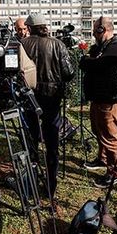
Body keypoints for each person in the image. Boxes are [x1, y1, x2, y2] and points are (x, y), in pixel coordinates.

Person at [21, 13, 74, 205]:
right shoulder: (57, 44)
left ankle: (31, 182)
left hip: (29, 96)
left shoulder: (23, 44)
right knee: (52, 144)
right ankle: (50, 187)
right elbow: (69, 73)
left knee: (32, 140)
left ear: (30, 27)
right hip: (52, 97)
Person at [80, 16, 117, 189]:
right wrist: (90, 61)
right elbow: (91, 61)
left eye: (95, 31)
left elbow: (102, 64)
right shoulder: (101, 47)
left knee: (110, 136)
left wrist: (89, 62)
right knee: (98, 130)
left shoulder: (116, 46)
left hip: (111, 99)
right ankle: (102, 159)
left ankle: (114, 172)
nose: (93, 34)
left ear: (103, 30)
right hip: (99, 97)